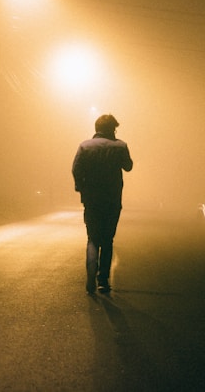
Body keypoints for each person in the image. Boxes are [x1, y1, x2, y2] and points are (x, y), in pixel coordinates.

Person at [72, 114, 133, 294]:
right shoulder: (120, 146)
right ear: (112, 129)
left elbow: (76, 169)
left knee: (92, 238)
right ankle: (103, 280)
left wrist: (81, 187)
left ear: (96, 128)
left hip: (91, 200)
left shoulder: (85, 146)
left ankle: (91, 274)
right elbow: (128, 166)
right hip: (112, 200)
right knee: (107, 240)